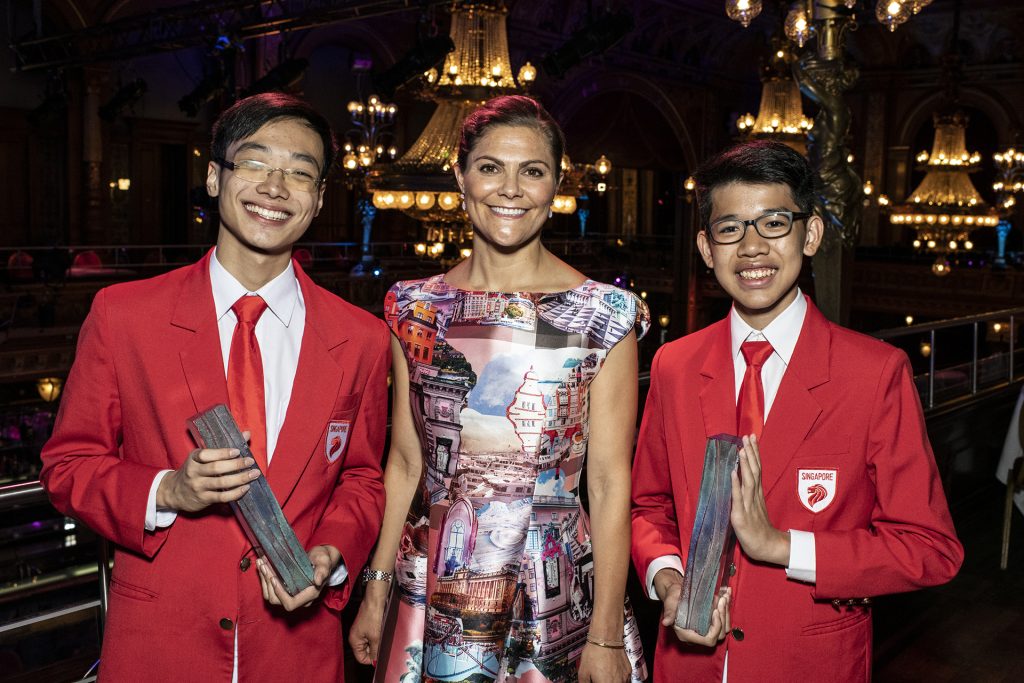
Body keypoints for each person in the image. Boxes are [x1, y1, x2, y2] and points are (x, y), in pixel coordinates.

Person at [40, 93, 389, 681]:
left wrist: (331, 554)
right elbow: (68, 466)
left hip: (296, 655)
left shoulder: (362, 337)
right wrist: (167, 490)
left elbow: (361, 477)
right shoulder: (124, 315)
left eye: (301, 173)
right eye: (254, 163)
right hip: (159, 648)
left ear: (320, 198)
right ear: (213, 176)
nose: (276, 187)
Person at [630, 139, 965, 681]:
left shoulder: (874, 373)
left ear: (810, 234)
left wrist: (781, 546)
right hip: (685, 664)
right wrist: (670, 582)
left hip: (809, 663)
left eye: (774, 223)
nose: (752, 247)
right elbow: (647, 506)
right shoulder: (674, 364)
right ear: (706, 247)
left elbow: (929, 549)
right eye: (731, 227)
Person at [349, 95, 649, 682]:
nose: (510, 188)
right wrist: (377, 585)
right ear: (460, 176)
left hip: (553, 580)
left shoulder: (603, 313)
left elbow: (611, 481)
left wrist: (607, 634)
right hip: (433, 579)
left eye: (532, 171)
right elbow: (407, 464)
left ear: (557, 185)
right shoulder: (412, 306)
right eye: (490, 167)